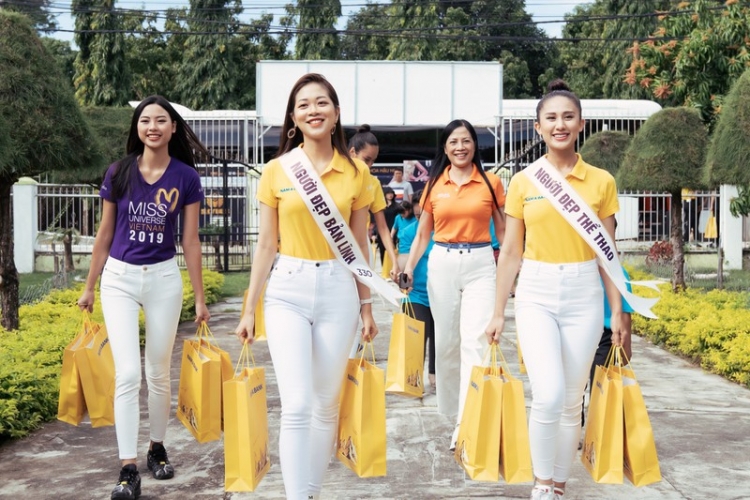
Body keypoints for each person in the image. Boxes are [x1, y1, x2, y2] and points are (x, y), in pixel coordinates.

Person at [234, 73, 377, 500]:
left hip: (338, 289)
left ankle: (311, 491)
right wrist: (248, 308)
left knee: (326, 404)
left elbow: (360, 248)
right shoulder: (277, 170)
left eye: (322, 103)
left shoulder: (357, 174)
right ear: (293, 118)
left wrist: (367, 307)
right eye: (304, 105)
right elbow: (265, 244)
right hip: (288, 289)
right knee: (296, 404)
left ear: (335, 114)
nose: (313, 111)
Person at [485, 79, 625, 500]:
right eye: (551, 118)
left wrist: (617, 313)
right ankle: (541, 484)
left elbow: (609, 255)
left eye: (568, 117)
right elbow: (510, 252)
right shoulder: (525, 181)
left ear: (580, 124)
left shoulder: (601, 182)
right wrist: (497, 312)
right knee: (546, 395)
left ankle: (558, 486)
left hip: (584, 291)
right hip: (536, 291)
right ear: (538, 127)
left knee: (570, 400)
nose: (560, 124)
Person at [77, 95, 210, 500]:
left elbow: (189, 240)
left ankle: (157, 447)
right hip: (119, 279)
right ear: (137, 128)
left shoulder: (186, 177)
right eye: (145, 120)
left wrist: (200, 298)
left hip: (164, 280)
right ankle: (127, 467)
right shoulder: (118, 172)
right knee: (128, 374)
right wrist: (88, 285)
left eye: (161, 120)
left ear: (173, 129)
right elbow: (104, 234)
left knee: (157, 372)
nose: (153, 126)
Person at [403, 118, 505, 450]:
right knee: (446, 343)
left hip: (480, 264)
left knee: (474, 342)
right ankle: (451, 409)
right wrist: (407, 267)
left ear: (475, 145)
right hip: (443, 263)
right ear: (444, 149)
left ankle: (466, 423)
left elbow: (503, 233)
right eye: (453, 142)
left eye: (465, 141)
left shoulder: (491, 182)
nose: (460, 147)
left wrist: (509, 271)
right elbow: (422, 235)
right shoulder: (435, 184)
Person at [348, 124, 399, 279]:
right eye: (366, 159)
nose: (370, 165)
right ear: (352, 153)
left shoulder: (373, 183)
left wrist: (394, 261)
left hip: (362, 249)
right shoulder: (333, 177)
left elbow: (382, 228)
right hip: (333, 247)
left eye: (373, 161)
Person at [397, 190, 436, 391]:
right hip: (416, 294)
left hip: (442, 293)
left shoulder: (446, 232)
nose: (424, 220)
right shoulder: (408, 232)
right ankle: (414, 377)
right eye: (419, 216)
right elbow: (404, 259)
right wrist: (403, 281)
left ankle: (435, 375)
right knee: (416, 336)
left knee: (440, 337)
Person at [390, 200, 417, 270]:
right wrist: (391, 236)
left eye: (404, 212)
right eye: (400, 213)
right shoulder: (398, 217)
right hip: (402, 244)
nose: (402, 215)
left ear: (410, 210)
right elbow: (394, 227)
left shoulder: (415, 218)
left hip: (413, 242)